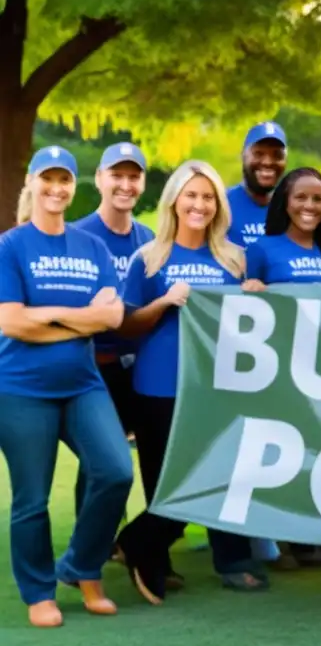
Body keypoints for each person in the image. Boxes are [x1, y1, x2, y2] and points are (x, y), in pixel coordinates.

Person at [114, 160, 265, 604]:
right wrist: (163, 301)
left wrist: (255, 293)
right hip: (159, 386)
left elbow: (251, 326)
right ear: (174, 201)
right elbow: (127, 324)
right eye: (191, 195)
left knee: (220, 475)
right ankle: (153, 559)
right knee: (165, 483)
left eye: (208, 196)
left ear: (218, 204)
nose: (199, 204)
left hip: (219, 385)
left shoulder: (235, 258)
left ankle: (148, 545)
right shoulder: (150, 257)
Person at [0, 146, 134, 628]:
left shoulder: (92, 248)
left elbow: (113, 316)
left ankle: (81, 569)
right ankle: (39, 592)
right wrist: (82, 320)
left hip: (83, 385)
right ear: (32, 183)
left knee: (116, 471)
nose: (57, 188)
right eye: (48, 179)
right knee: (31, 497)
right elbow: (13, 323)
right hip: (20, 389)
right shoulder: (11, 246)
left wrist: (49, 316)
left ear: (75, 186)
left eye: (65, 180)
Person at [242, 167, 321, 568]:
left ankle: (304, 538)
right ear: (286, 201)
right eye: (301, 197)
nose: (309, 205)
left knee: (313, 453)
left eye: (318, 199)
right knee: (273, 453)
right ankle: (265, 538)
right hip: (276, 370)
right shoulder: (264, 250)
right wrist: (250, 291)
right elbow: (243, 311)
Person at [70, 142, 154, 518]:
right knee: (100, 461)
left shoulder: (150, 239)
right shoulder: (77, 236)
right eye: (116, 175)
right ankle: (93, 547)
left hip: (140, 366)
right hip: (94, 366)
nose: (125, 184)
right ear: (100, 179)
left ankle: (130, 544)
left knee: (143, 455)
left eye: (133, 176)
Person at [226, 121, 288, 247]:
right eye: (258, 154)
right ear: (243, 156)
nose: (267, 162)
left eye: (277, 155)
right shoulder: (222, 204)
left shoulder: (293, 209)